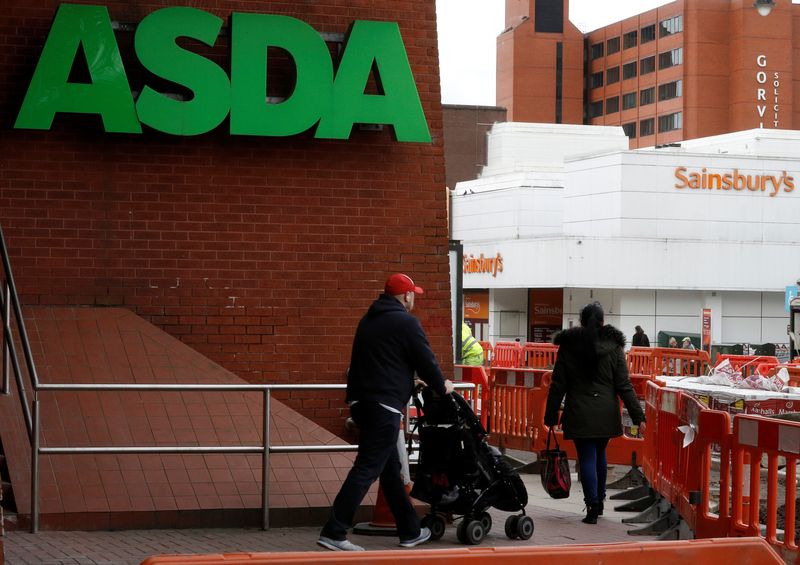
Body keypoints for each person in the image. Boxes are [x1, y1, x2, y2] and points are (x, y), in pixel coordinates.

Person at [317, 273, 455, 551]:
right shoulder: (406, 322)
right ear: (406, 296)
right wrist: (442, 387)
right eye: (413, 293)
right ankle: (334, 531)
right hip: (384, 406)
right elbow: (425, 359)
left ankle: (410, 531)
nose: (414, 298)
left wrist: (405, 380)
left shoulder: (368, 321)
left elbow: (378, 362)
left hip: (362, 403)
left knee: (390, 470)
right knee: (367, 468)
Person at [543, 302, 645, 525]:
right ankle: (599, 502)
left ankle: (592, 506)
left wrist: (550, 415)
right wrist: (638, 416)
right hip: (606, 411)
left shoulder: (568, 346)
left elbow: (558, 384)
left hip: (579, 411)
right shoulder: (614, 347)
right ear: (602, 322)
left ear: (581, 321)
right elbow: (624, 385)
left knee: (587, 457)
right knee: (600, 453)